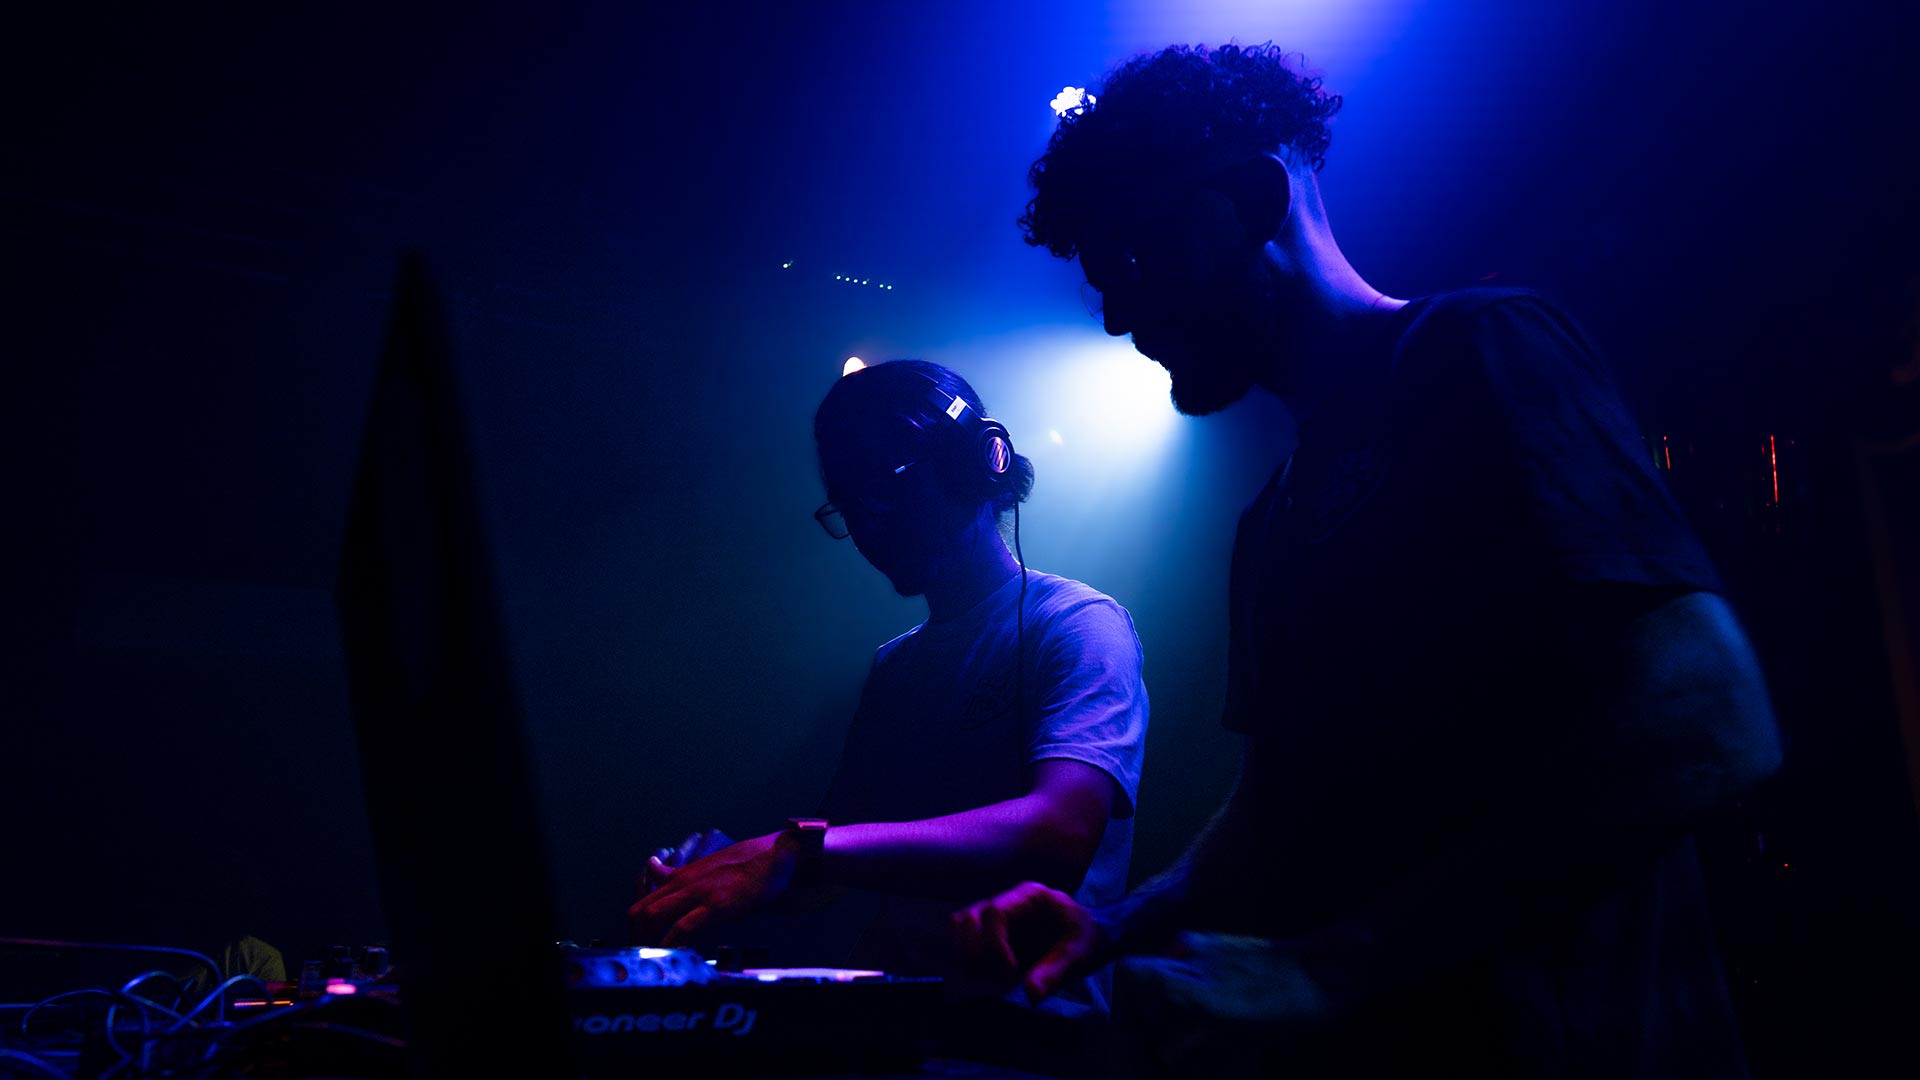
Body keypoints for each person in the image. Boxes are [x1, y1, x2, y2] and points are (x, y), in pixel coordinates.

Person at [952, 43, 1782, 1075]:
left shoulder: (1478, 348)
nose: (1119, 315)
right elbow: (1275, 815)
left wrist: (1328, 969)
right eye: (1099, 284)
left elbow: (1710, 717)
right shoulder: (1272, 521)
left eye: (1130, 260)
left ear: (1253, 201)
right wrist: (1115, 926)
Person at [630, 359, 1148, 1019]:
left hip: (1033, 1039)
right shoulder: (896, 666)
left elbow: (1061, 830)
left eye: (884, 485)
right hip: (901, 1026)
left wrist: (794, 853)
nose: (868, 523)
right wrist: (729, 866)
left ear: (976, 464)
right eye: (849, 503)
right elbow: (838, 863)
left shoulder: (1078, 624)